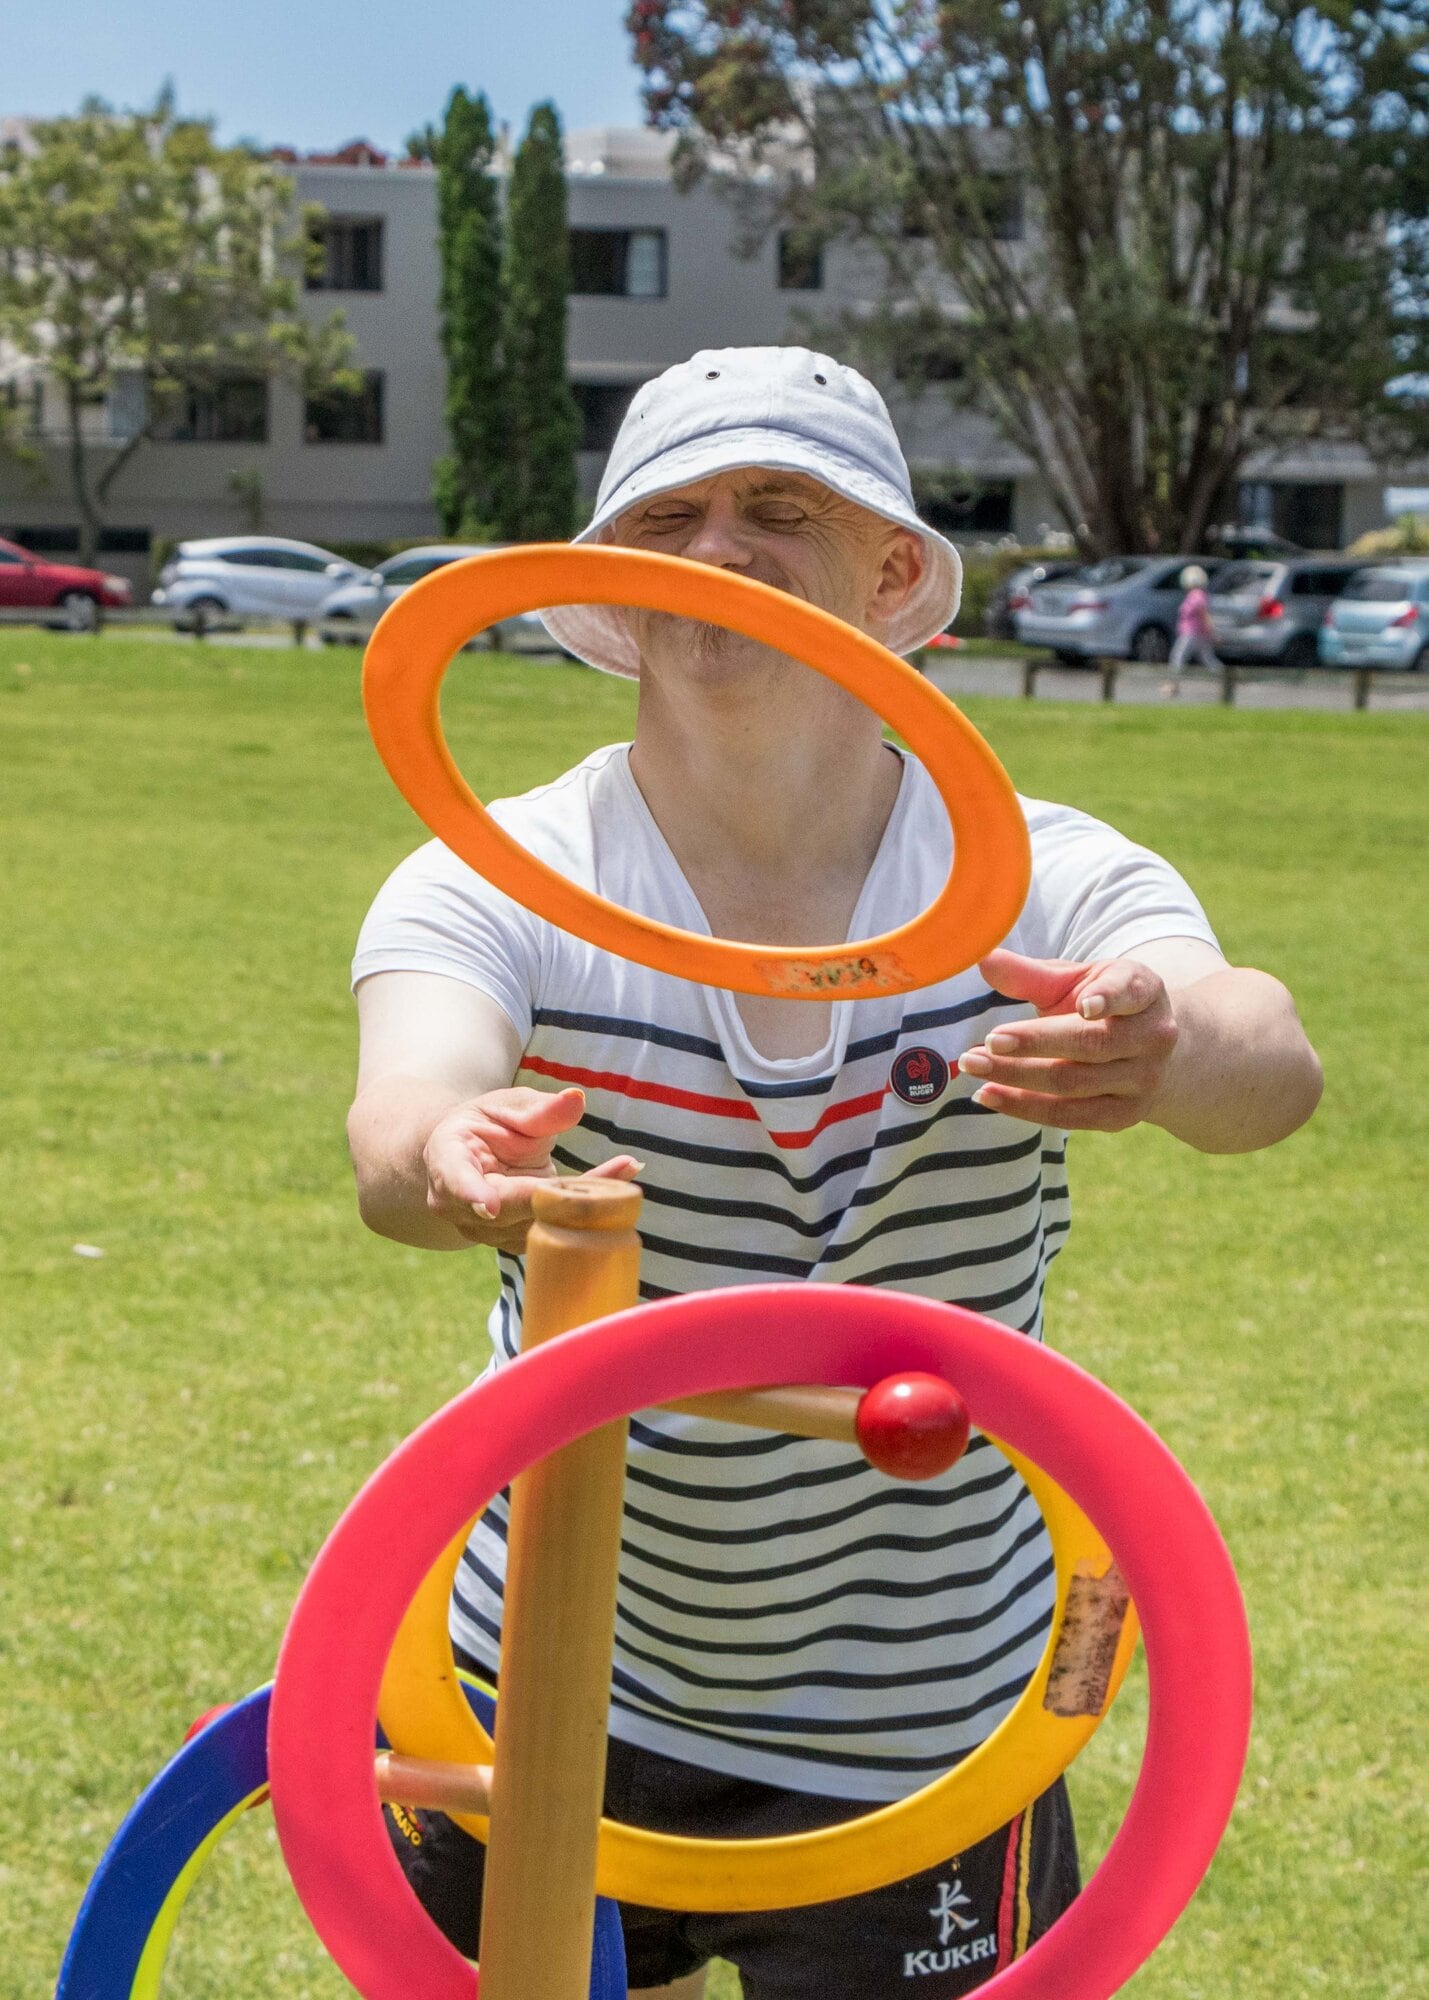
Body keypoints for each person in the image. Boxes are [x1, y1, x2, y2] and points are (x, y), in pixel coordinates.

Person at [348, 346, 1322, 1999]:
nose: (716, 548)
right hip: (555, 1668)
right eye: (672, 513)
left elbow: (1266, 1062)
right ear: (607, 571)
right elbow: (402, 1113)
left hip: (928, 1707)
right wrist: (442, 1155)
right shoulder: (494, 880)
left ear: (885, 575)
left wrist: (1164, 1053)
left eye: (775, 510)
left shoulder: (1044, 877)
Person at [1163, 563, 1219, 696]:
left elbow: (1204, 614)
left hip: (1191, 633)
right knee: (1208, 660)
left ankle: (1173, 685)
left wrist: (1212, 632)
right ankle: (1225, 679)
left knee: (1177, 657)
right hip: (1196, 633)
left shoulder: (1197, 595)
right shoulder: (1197, 594)